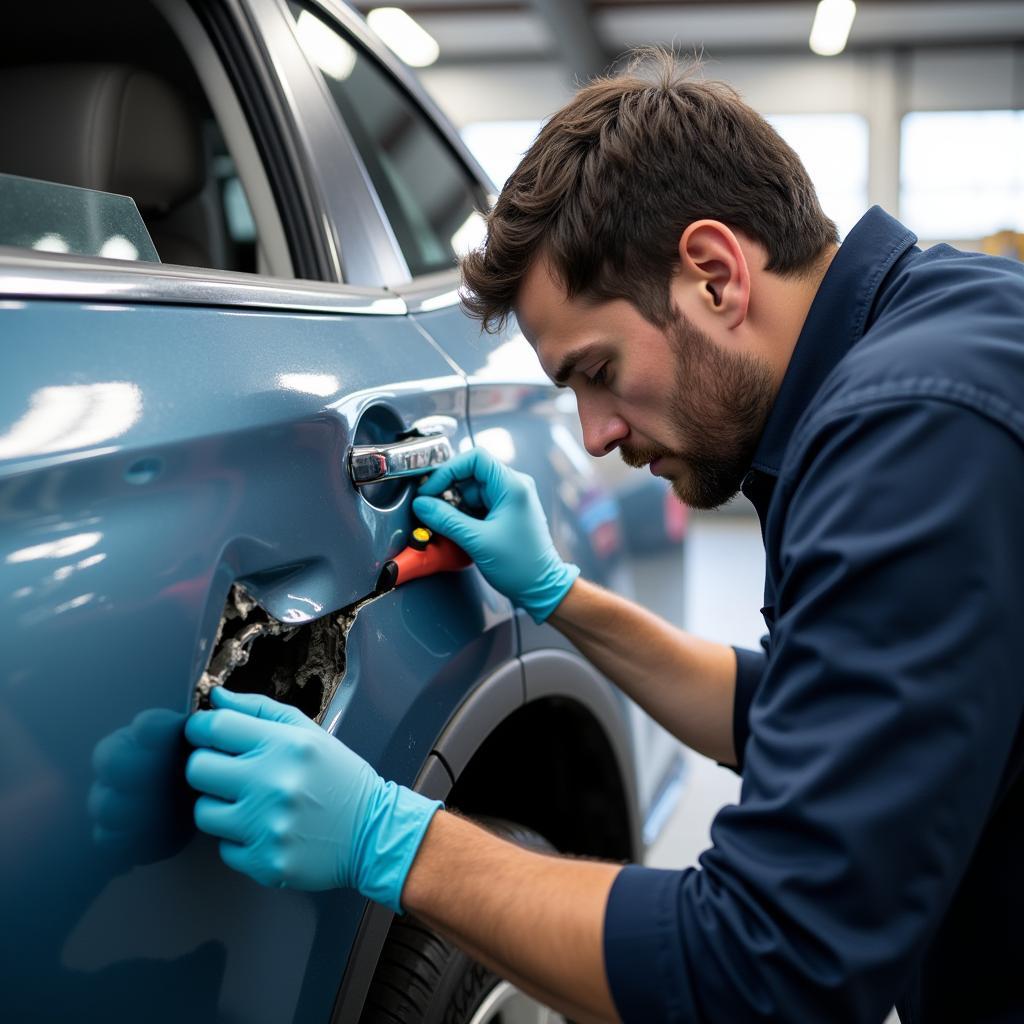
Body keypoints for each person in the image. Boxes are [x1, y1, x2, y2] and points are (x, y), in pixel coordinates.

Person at [184, 52, 1024, 1023]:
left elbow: (767, 967)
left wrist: (395, 841)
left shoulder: (915, 435)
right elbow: (798, 717)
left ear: (713, 274)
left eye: (597, 369)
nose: (594, 436)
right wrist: (557, 594)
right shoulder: (937, 335)